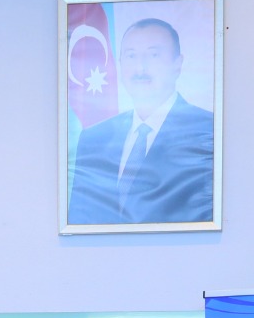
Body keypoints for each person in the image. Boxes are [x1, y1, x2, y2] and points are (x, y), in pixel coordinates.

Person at [67, 17, 214, 226]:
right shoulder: (94, 138)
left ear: (177, 64)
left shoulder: (207, 131)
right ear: (120, 64)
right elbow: (79, 219)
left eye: (153, 55)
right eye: (131, 56)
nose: (140, 68)